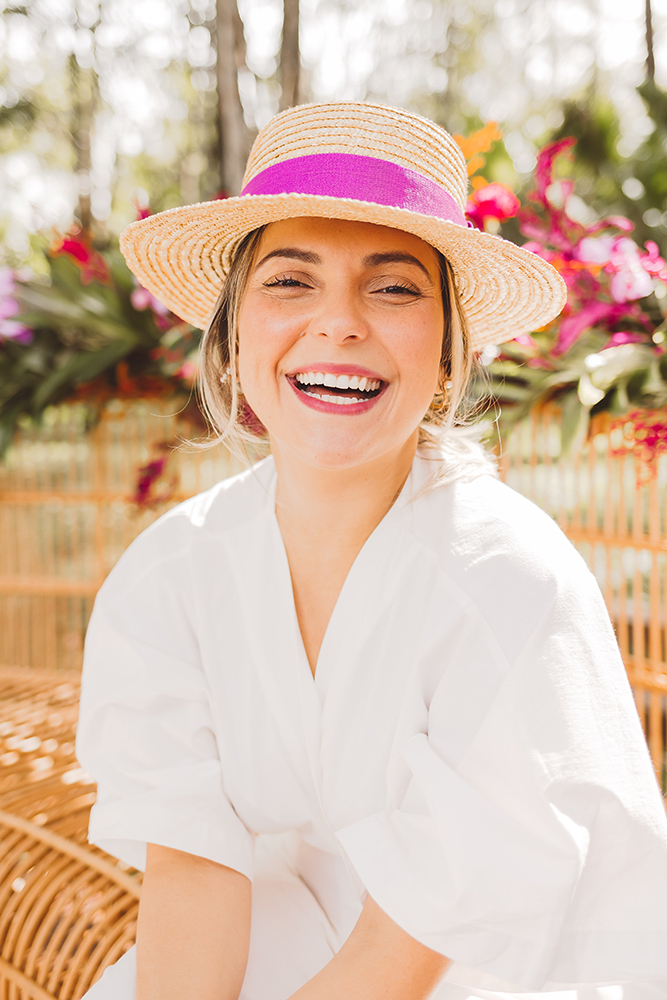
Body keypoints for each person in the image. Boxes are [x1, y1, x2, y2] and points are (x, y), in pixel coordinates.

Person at [76, 101, 667, 1000]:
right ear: (231, 338)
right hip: (298, 930)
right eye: (290, 282)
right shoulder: (170, 577)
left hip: (495, 968)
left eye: (392, 289)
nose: (340, 324)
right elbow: (194, 869)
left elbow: (413, 947)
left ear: (449, 353)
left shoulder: (506, 579)